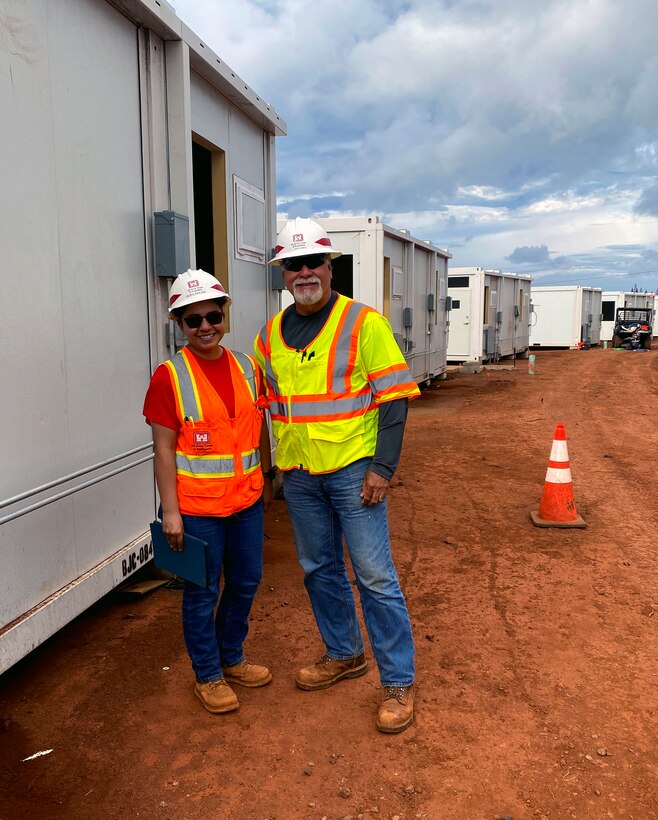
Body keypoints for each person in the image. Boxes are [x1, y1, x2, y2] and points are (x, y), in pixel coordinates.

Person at [254, 218, 421, 733]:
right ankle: (345, 653)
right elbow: (267, 408)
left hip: (355, 474)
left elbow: (394, 398)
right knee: (318, 569)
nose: (304, 272)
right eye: (293, 265)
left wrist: (383, 468)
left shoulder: (362, 323)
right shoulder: (269, 336)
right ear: (283, 274)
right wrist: (269, 471)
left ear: (330, 267)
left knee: (374, 576)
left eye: (312, 263)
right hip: (301, 476)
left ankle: (397, 680)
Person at [143, 269, 275, 715]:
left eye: (212, 316)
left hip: (246, 502)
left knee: (245, 582)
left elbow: (259, 429)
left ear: (225, 315)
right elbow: (163, 452)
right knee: (202, 592)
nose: (204, 327)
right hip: (198, 510)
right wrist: (171, 514)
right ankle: (208, 674)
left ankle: (231, 657)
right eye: (192, 319)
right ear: (179, 324)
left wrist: (267, 479)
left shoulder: (247, 367)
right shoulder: (169, 377)